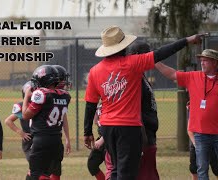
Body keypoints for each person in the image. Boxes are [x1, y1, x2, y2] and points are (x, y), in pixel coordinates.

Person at [83, 25, 203, 180]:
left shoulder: (95, 71)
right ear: (123, 46)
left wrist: (87, 131)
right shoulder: (133, 63)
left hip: (107, 128)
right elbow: (162, 52)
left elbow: (90, 104)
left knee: (115, 170)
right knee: (127, 173)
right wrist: (187, 40)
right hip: (128, 128)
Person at [155, 48, 218, 179]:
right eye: (201, 60)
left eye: (206, 60)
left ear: (215, 63)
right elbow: (172, 74)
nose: (202, 63)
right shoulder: (193, 76)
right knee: (202, 168)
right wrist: (155, 62)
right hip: (200, 134)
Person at [22, 65, 71, 180]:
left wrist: (26, 97)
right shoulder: (65, 96)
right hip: (56, 141)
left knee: (35, 174)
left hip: (41, 140)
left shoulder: (41, 94)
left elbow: (25, 115)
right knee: (46, 173)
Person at [126, 41, 160, 180]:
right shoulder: (135, 78)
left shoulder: (142, 75)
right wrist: (143, 136)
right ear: (137, 56)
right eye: (147, 55)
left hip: (149, 133)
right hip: (143, 135)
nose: (149, 59)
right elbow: (135, 109)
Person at [4, 81, 33, 175]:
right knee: (34, 165)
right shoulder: (21, 107)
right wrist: (20, 132)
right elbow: (8, 120)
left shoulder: (40, 105)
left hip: (40, 138)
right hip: (29, 139)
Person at [50, 65, 72, 180]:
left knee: (53, 170)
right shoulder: (65, 97)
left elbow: (63, 116)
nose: (65, 82)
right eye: (63, 79)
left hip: (52, 137)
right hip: (48, 137)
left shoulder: (43, 95)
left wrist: (67, 138)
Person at [86, 104, 106, 180]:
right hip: (101, 139)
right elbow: (95, 121)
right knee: (92, 164)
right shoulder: (98, 106)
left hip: (111, 139)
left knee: (112, 168)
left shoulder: (111, 103)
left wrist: (103, 138)